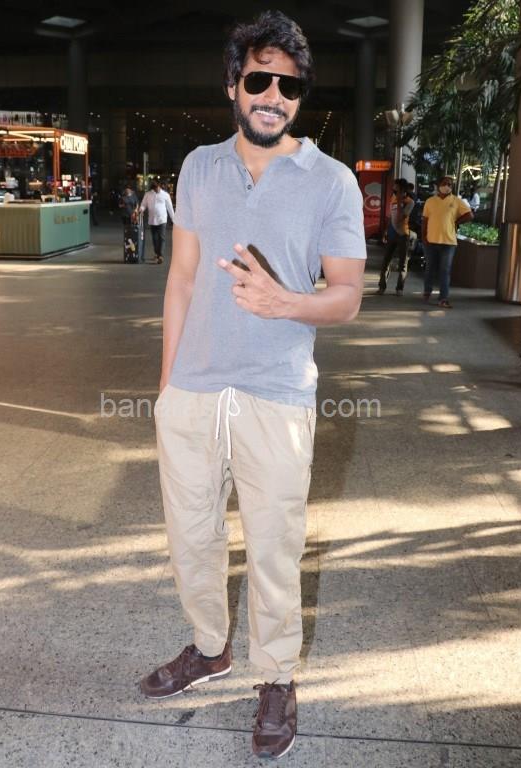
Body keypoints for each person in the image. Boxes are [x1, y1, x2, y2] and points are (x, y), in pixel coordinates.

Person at [138, 9, 366, 761]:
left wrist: (285, 303)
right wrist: (168, 387)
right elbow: (180, 279)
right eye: (260, 80)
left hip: (276, 392)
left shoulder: (331, 181)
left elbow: (346, 296)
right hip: (193, 389)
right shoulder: (199, 167)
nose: (274, 96)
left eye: (289, 86)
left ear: (299, 96)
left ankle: (276, 676)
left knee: (273, 545)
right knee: (191, 535)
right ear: (233, 84)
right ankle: (210, 648)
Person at [422, 175, 473, 308]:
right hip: (431, 240)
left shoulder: (456, 201)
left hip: (449, 242)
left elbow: (470, 215)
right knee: (429, 268)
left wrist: (456, 222)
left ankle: (443, 298)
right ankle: (427, 291)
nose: (447, 186)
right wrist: (423, 236)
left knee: (445, 270)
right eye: (445, 183)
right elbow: (425, 220)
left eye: (450, 184)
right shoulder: (430, 201)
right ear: (438, 185)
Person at [377, 178, 415, 296]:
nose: (394, 190)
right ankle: (381, 286)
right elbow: (391, 217)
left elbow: (400, 218)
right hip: (392, 233)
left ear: (403, 190)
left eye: (396, 188)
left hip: (403, 234)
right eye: (394, 188)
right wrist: (386, 231)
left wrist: (399, 202)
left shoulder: (410, 202)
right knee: (386, 261)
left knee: (403, 263)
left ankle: (399, 288)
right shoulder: (392, 198)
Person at [139, 179, 175, 264]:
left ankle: (160, 255)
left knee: (162, 238)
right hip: (152, 220)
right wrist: (141, 210)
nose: (157, 189)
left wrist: (174, 219)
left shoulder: (165, 195)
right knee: (155, 238)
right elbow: (143, 204)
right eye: (155, 188)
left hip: (162, 219)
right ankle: (157, 253)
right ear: (153, 188)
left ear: (160, 186)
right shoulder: (148, 194)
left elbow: (170, 208)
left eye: (158, 187)